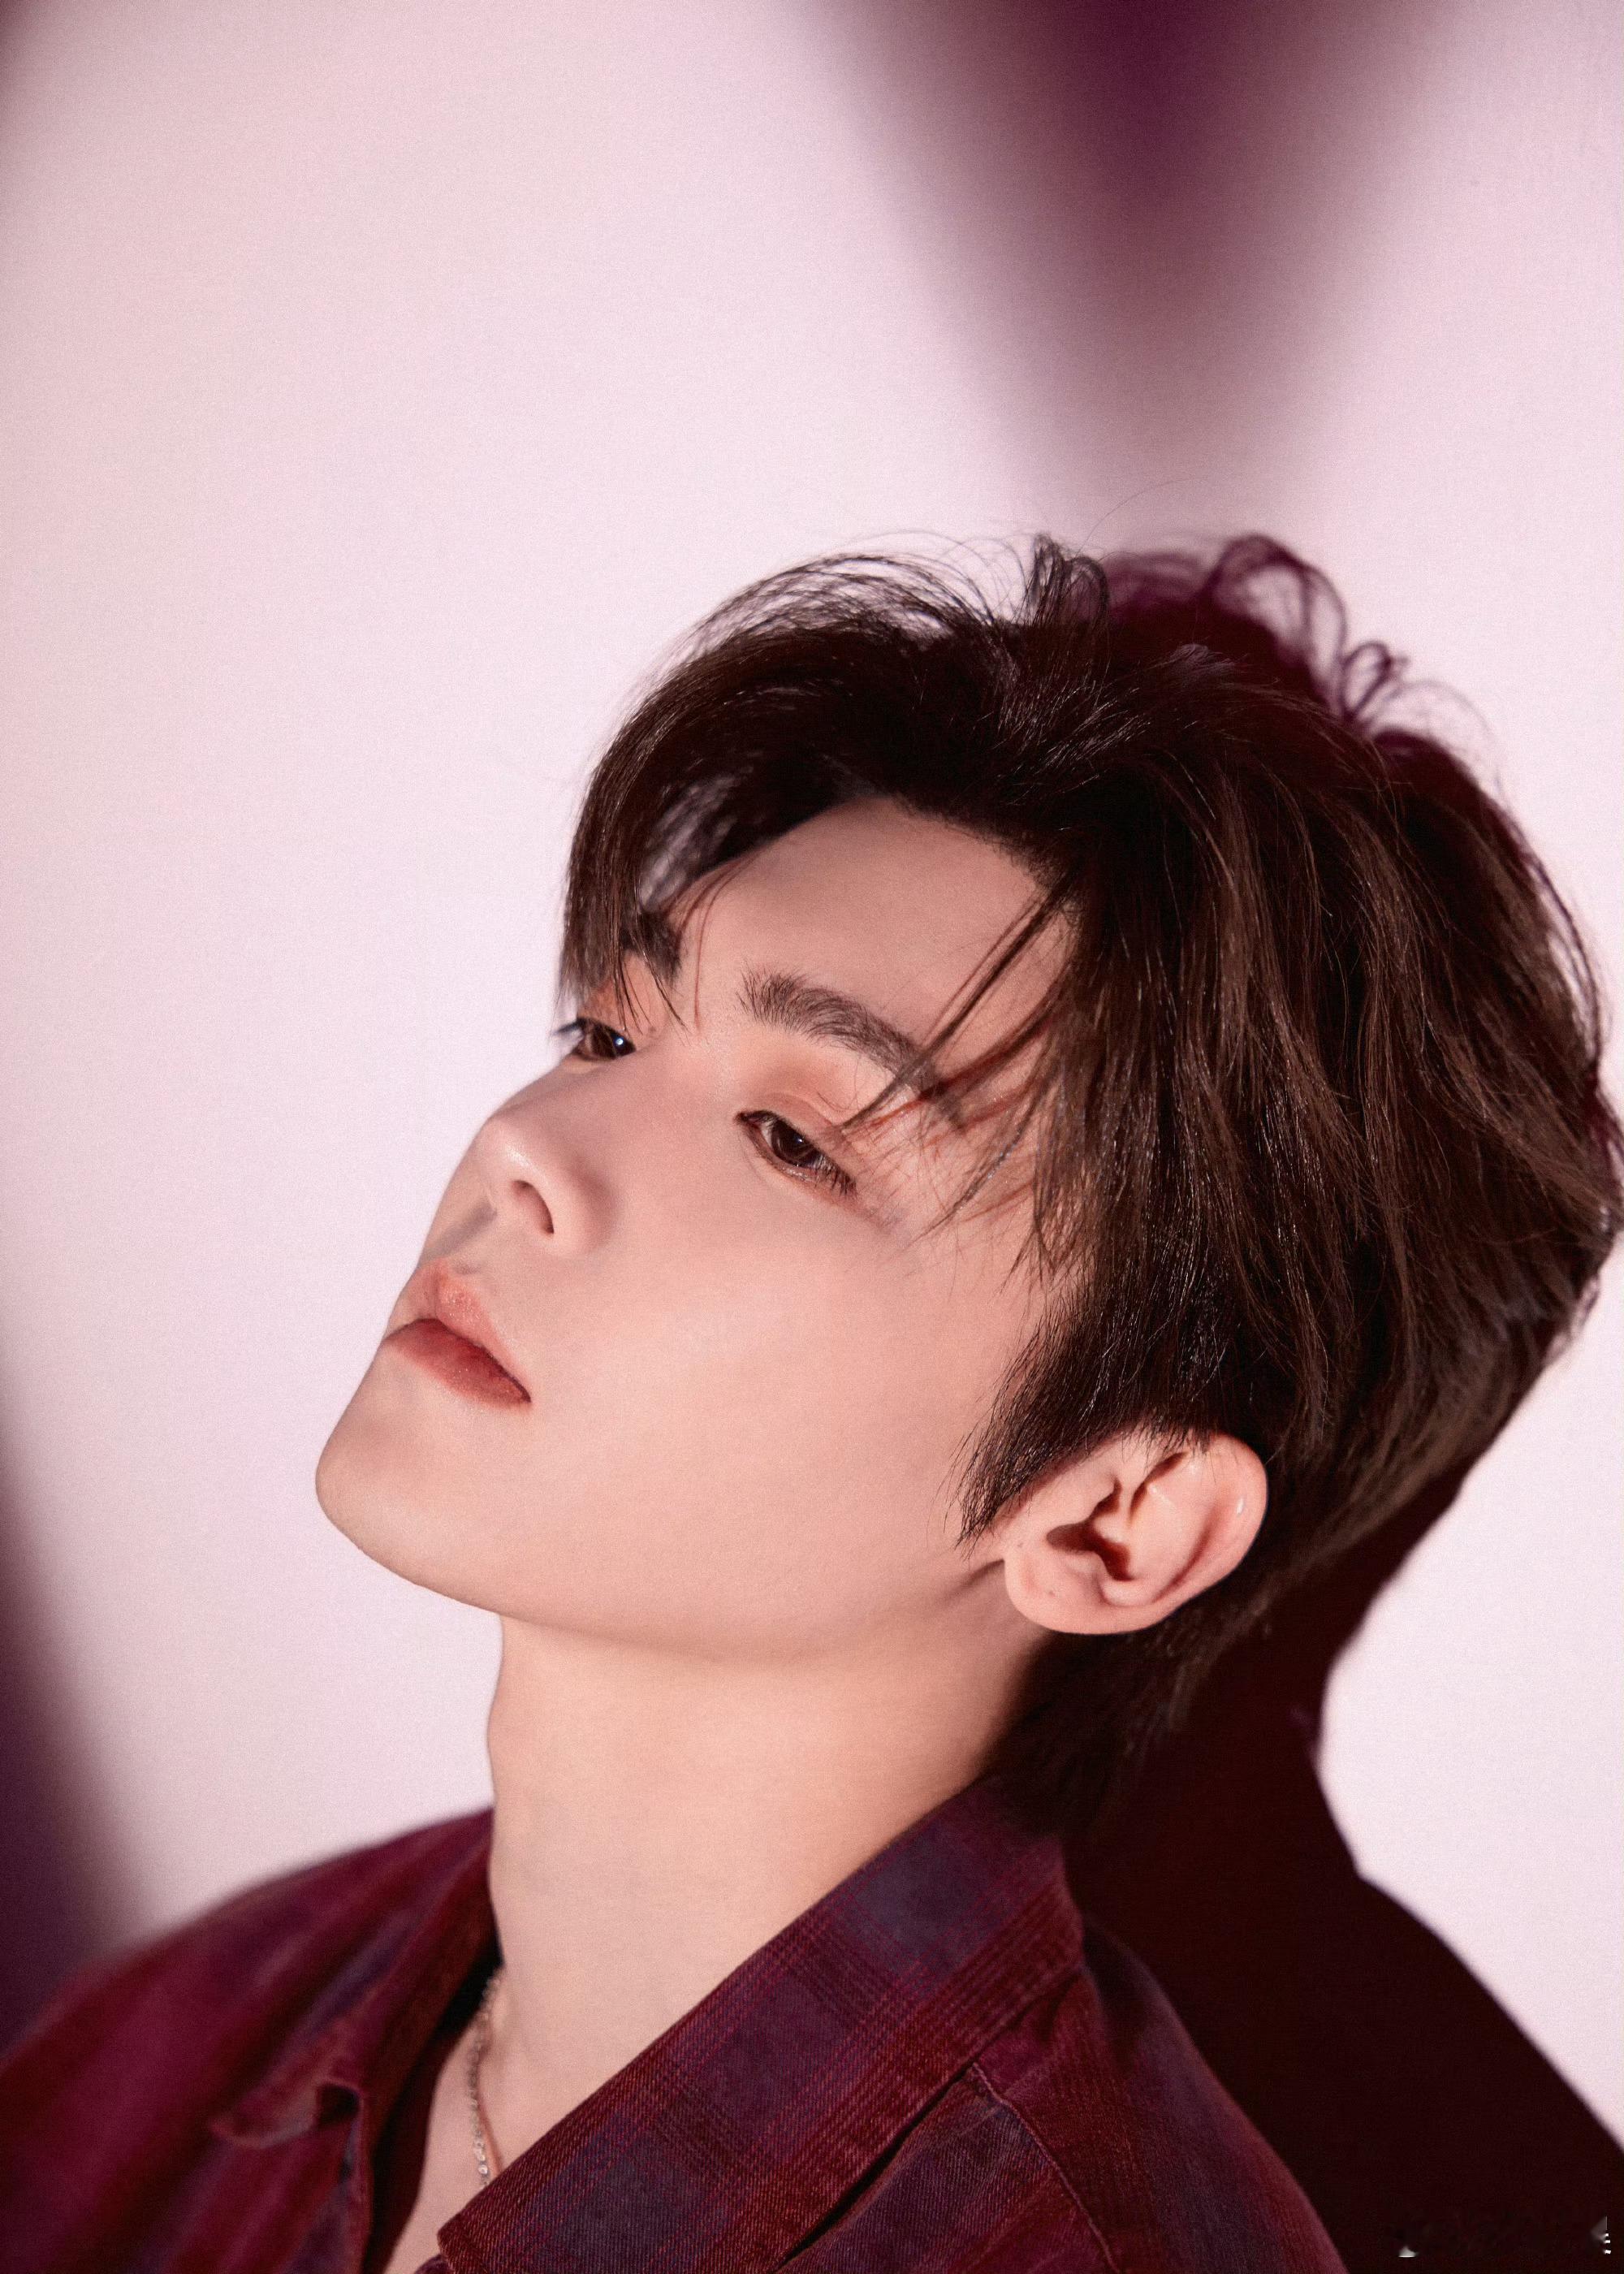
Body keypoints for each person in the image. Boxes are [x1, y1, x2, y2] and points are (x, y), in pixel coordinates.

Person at [1, 536, 1618, 2274]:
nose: (527, 1147)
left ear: (1113, 1519)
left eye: (793, 1138)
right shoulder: (196, 2040)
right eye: (608, 1035)